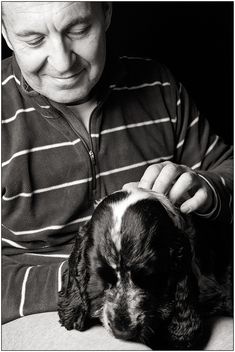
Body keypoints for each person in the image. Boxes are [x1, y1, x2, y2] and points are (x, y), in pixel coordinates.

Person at [1, 1, 233, 350]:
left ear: (106, 12)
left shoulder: (159, 86)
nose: (63, 62)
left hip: (172, 292)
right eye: (33, 39)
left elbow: (225, 167)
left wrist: (208, 187)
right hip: (42, 306)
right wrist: (86, 279)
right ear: (5, 33)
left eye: (78, 30)